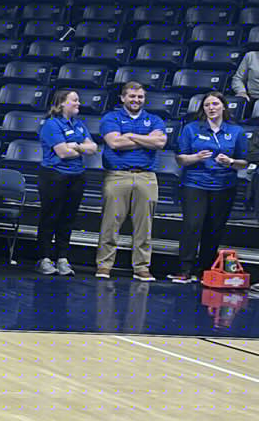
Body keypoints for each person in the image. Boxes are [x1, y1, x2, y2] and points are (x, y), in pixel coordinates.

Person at [170, 91, 250, 283]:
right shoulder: (191, 129)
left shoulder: (236, 131)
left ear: (223, 107)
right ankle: (185, 269)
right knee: (192, 225)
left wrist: (231, 162)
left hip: (224, 186)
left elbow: (244, 163)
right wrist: (196, 157)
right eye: (207, 105)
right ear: (203, 109)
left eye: (215, 104)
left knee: (214, 228)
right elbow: (180, 158)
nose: (211, 108)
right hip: (195, 183)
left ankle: (205, 270)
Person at [96, 80, 168, 280]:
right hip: (117, 175)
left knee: (144, 225)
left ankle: (142, 267)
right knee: (111, 222)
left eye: (140, 96)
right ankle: (104, 265)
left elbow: (160, 142)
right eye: (132, 96)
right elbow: (115, 142)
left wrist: (130, 135)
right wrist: (145, 140)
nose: (136, 100)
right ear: (123, 98)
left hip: (146, 176)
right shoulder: (111, 118)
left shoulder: (154, 119)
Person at [36, 89, 97, 275]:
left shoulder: (78, 125)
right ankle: (44, 258)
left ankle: (62, 258)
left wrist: (75, 146)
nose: (78, 103)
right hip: (54, 176)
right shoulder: (51, 124)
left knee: (68, 219)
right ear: (62, 103)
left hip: (77, 176)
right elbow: (62, 152)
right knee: (50, 217)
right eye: (74, 100)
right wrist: (81, 148)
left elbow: (93, 148)